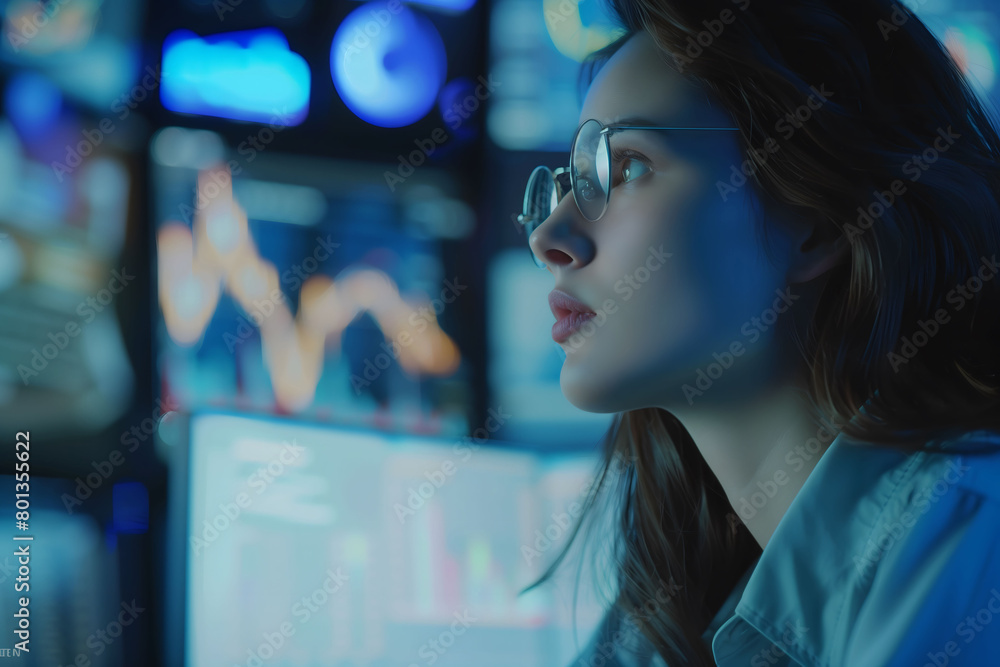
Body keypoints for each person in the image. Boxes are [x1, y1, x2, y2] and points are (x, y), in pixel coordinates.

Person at [514, 0, 1000, 665]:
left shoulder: (964, 537)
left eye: (626, 167)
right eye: (572, 180)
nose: (550, 238)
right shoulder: (676, 597)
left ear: (818, 222)